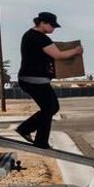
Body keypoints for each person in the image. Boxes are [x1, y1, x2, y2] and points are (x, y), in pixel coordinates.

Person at [15, 12, 83, 148]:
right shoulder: (39, 38)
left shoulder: (30, 35)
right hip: (34, 79)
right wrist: (76, 51)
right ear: (42, 23)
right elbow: (58, 55)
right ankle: (37, 138)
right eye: (51, 25)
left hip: (32, 79)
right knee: (49, 108)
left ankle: (29, 131)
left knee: (51, 107)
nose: (53, 29)